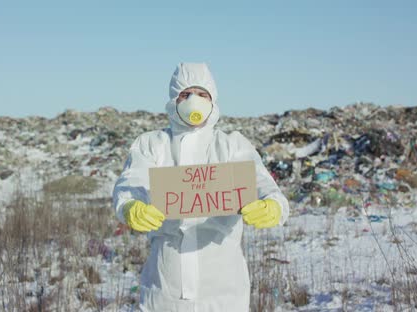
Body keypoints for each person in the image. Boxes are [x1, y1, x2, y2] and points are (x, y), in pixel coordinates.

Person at [112, 62, 289, 312]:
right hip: (165, 289)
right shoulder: (153, 144)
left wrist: (273, 206)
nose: (194, 101)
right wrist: (130, 205)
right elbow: (132, 181)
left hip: (224, 291)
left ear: (213, 99)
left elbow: (263, 184)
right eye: (185, 94)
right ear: (174, 99)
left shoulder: (232, 145)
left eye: (202, 94)